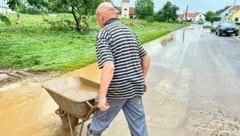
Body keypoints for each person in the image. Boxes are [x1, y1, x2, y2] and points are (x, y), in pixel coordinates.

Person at [87, 2, 150, 136]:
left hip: (117, 90)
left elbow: (109, 67)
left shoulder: (104, 34)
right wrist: (141, 80)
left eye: (97, 18)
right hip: (135, 87)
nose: (98, 21)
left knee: (98, 124)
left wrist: (102, 97)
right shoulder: (130, 31)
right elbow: (146, 58)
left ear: (101, 16)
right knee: (139, 126)